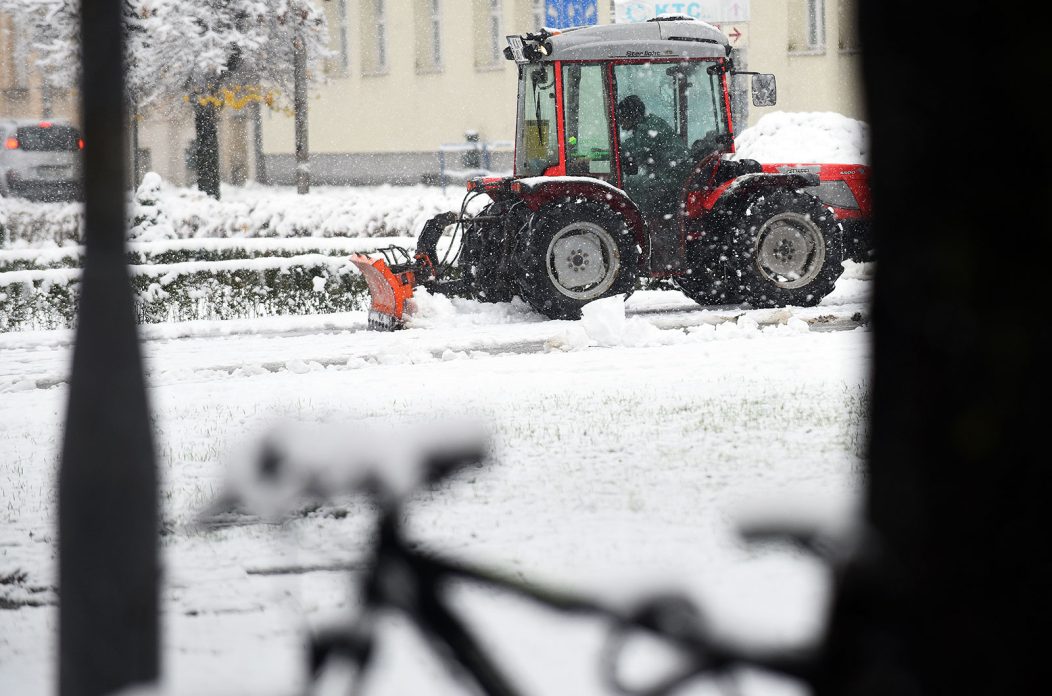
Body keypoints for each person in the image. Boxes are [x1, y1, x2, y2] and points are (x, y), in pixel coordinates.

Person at [616, 95, 688, 220]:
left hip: (673, 177)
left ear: (631, 116)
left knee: (629, 186)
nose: (620, 122)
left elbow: (632, 150)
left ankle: (640, 221)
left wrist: (610, 151)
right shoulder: (649, 123)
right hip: (675, 173)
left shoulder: (646, 128)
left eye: (621, 117)